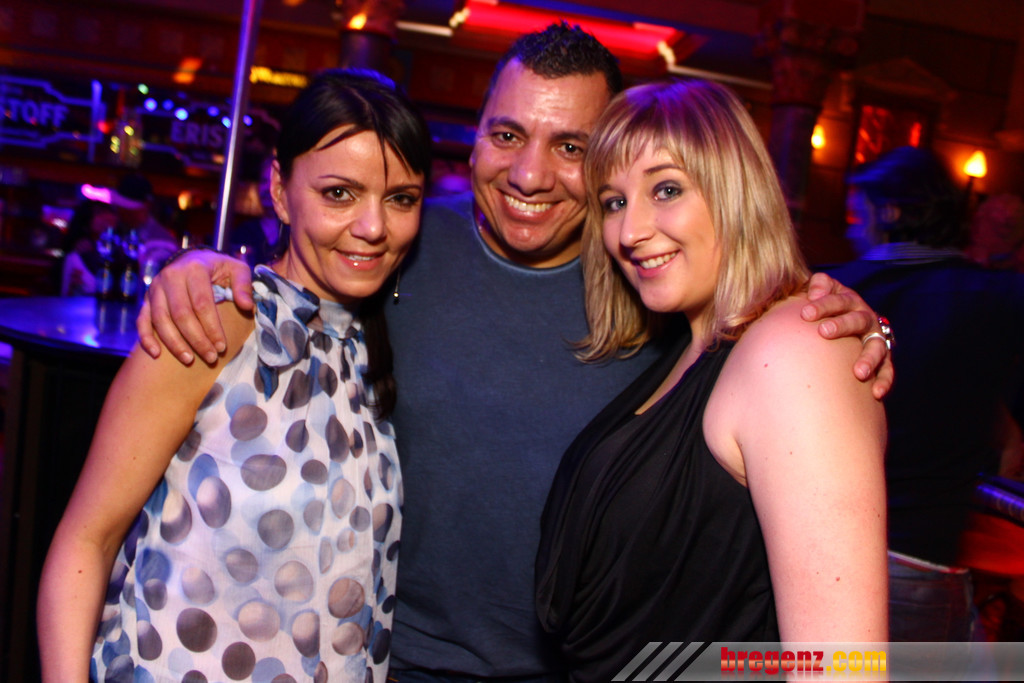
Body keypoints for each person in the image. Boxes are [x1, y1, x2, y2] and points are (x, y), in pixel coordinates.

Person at [136, 24, 894, 681]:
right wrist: (201, 269)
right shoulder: (398, 243)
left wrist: (839, 332)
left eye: (570, 147)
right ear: (475, 137)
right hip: (377, 659)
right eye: (506, 136)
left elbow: (833, 643)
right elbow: (296, 281)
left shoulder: (645, 287)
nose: (529, 174)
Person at [36, 68, 432, 682]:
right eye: (339, 193)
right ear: (280, 191)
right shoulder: (214, 326)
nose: (374, 226)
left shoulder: (369, 348)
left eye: (401, 198)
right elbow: (86, 542)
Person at [535, 78, 888, 682]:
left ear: (736, 191)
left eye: (666, 189)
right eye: (614, 202)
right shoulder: (690, 347)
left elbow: (842, 669)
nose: (629, 232)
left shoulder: (792, 352)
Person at [827, 146, 1024, 642]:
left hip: (833, 553)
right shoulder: (1000, 296)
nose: (852, 229)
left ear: (890, 212)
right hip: (931, 566)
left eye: (858, 214)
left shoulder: (835, 291)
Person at [59, 199, 117, 296]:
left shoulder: (120, 253)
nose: (106, 217)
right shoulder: (76, 255)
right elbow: (67, 293)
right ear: (86, 221)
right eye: (99, 213)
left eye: (108, 212)